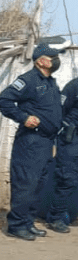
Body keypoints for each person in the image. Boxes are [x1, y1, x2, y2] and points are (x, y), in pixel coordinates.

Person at [0, 43, 63, 240]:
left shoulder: (51, 82)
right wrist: (23, 117)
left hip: (46, 142)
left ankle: (28, 222)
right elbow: (3, 100)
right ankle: (16, 226)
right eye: (53, 57)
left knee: (38, 184)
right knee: (25, 183)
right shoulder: (28, 80)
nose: (56, 60)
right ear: (41, 60)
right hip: (30, 142)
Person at [46, 74, 78, 226]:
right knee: (67, 178)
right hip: (72, 139)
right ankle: (56, 217)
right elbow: (60, 111)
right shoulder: (74, 86)